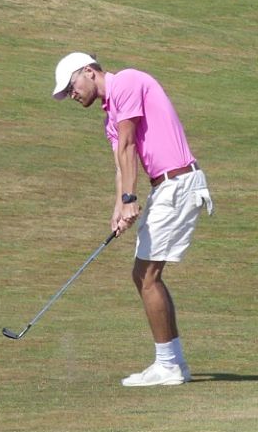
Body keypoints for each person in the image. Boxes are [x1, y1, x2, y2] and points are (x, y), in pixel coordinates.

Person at [52, 52, 213, 386]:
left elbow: (128, 145)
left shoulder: (126, 81)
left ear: (89, 71)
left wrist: (130, 199)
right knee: (145, 276)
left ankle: (169, 366)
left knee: (146, 276)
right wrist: (118, 208)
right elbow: (120, 163)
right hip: (165, 187)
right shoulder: (109, 117)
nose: (72, 95)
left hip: (178, 182)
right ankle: (173, 364)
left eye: (71, 86)